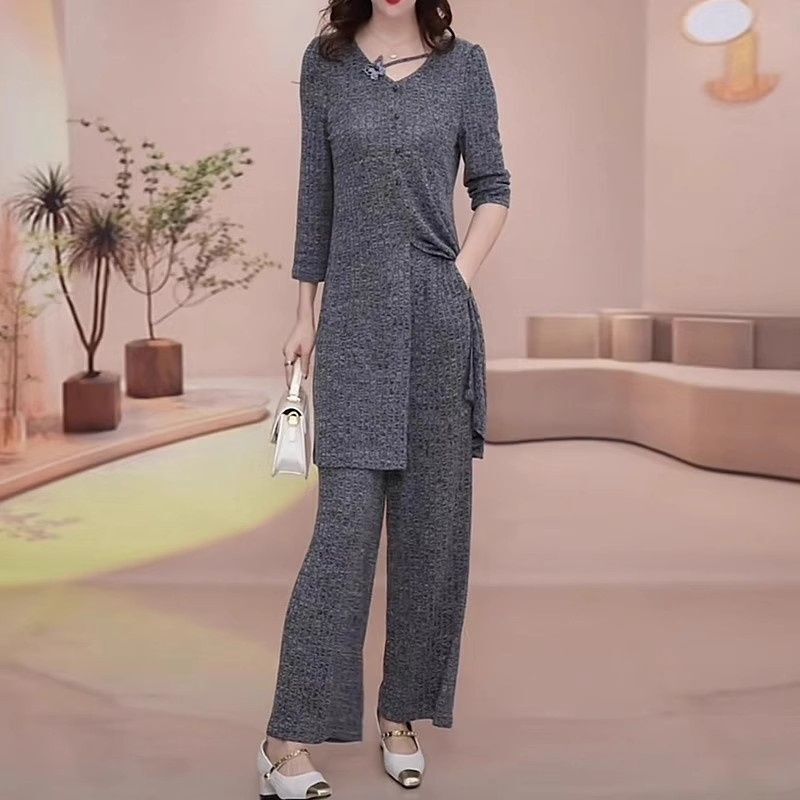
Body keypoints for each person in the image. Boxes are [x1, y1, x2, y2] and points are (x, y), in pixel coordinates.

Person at [257, 0, 510, 796]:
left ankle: (401, 717)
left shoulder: (466, 67)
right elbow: (316, 197)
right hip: (356, 327)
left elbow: (494, 187)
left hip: (439, 327)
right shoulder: (326, 65)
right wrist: (305, 316)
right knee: (343, 538)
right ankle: (283, 743)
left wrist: (456, 278)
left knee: (432, 537)